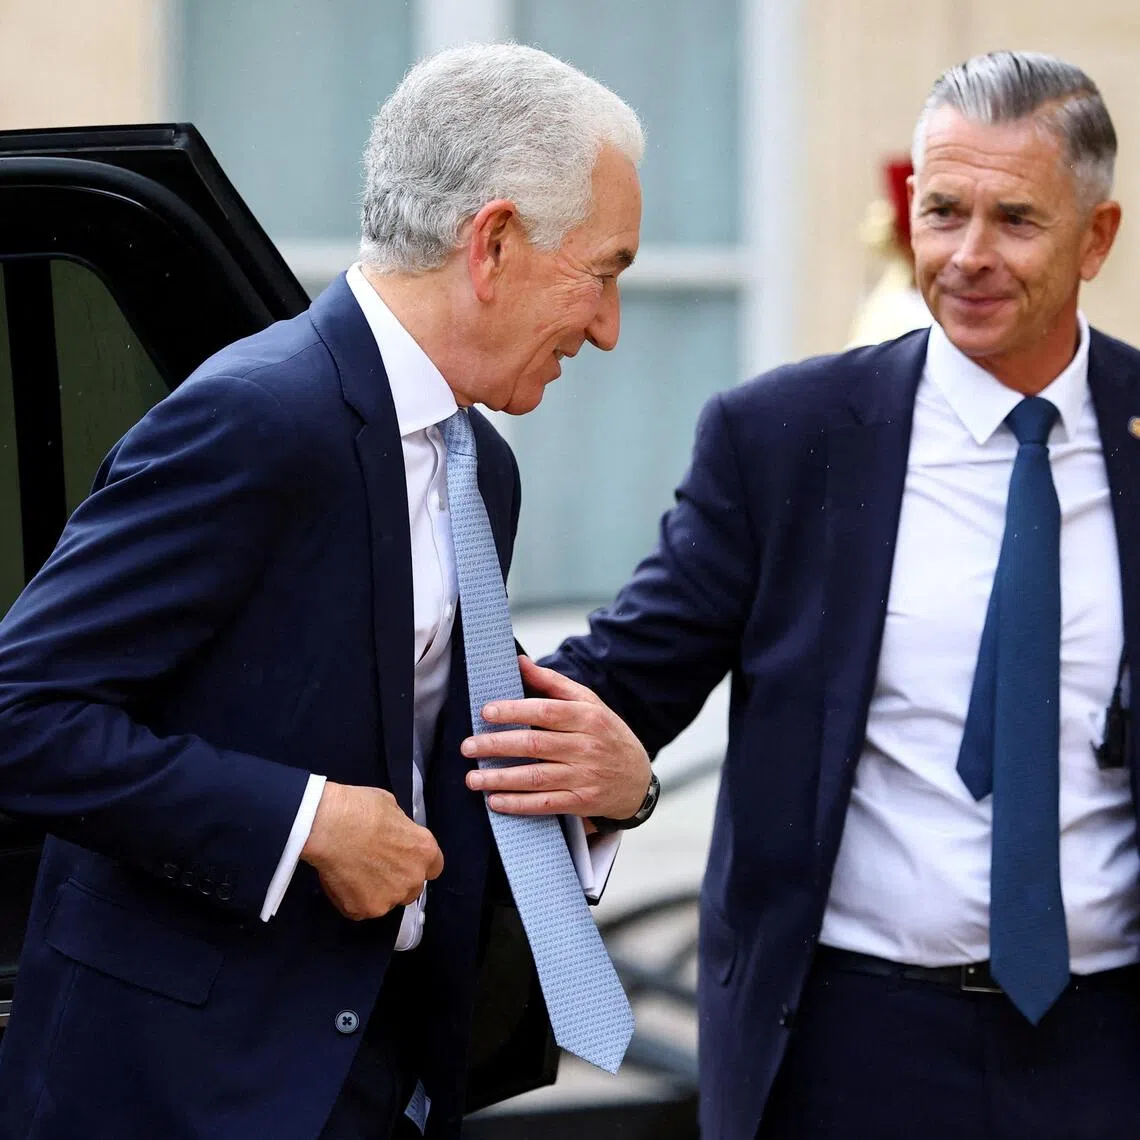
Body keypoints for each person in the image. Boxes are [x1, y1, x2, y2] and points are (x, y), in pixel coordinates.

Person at [463, 51, 1140, 1139]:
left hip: (1107, 1046)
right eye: (942, 210)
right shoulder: (786, 441)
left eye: (1015, 220)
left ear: (1096, 237)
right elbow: (625, 676)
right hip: (846, 1045)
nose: (968, 255)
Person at [0, 43, 653, 1140]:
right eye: (605, 271)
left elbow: (426, 769)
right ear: (491, 243)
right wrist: (302, 824)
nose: (608, 326)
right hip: (177, 1092)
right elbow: (20, 715)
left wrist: (609, 794)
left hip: (380, 1081)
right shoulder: (257, 418)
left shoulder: (480, 466)